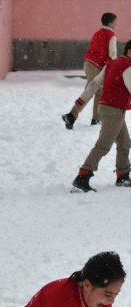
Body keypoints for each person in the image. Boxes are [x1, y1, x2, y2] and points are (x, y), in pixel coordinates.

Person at [69, 39, 131, 192]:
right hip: (113, 110)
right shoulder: (128, 68)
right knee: (103, 145)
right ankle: (83, 176)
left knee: (124, 142)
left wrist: (80, 101)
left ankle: (123, 175)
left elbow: (95, 83)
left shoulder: (112, 64)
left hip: (108, 108)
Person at [63, 13, 118, 129]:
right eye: (115, 22)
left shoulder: (97, 33)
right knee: (90, 91)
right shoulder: (111, 35)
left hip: (88, 63)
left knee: (98, 91)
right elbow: (113, 54)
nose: (116, 24)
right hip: (97, 66)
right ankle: (72, 115)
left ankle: (95, 119)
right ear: (110, 23)